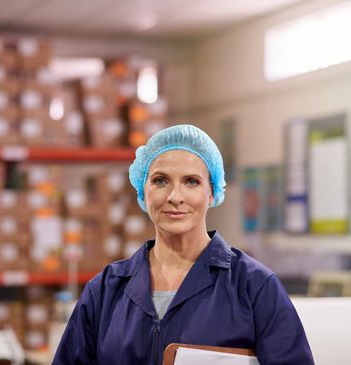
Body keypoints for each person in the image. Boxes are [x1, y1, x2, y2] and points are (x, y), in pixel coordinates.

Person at [52, 124, 314, 365]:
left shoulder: (253, 286)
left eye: (191, 182)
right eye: (160, 181)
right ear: (143, 191)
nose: (175, 197)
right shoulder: (106, 290)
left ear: (211, 192)